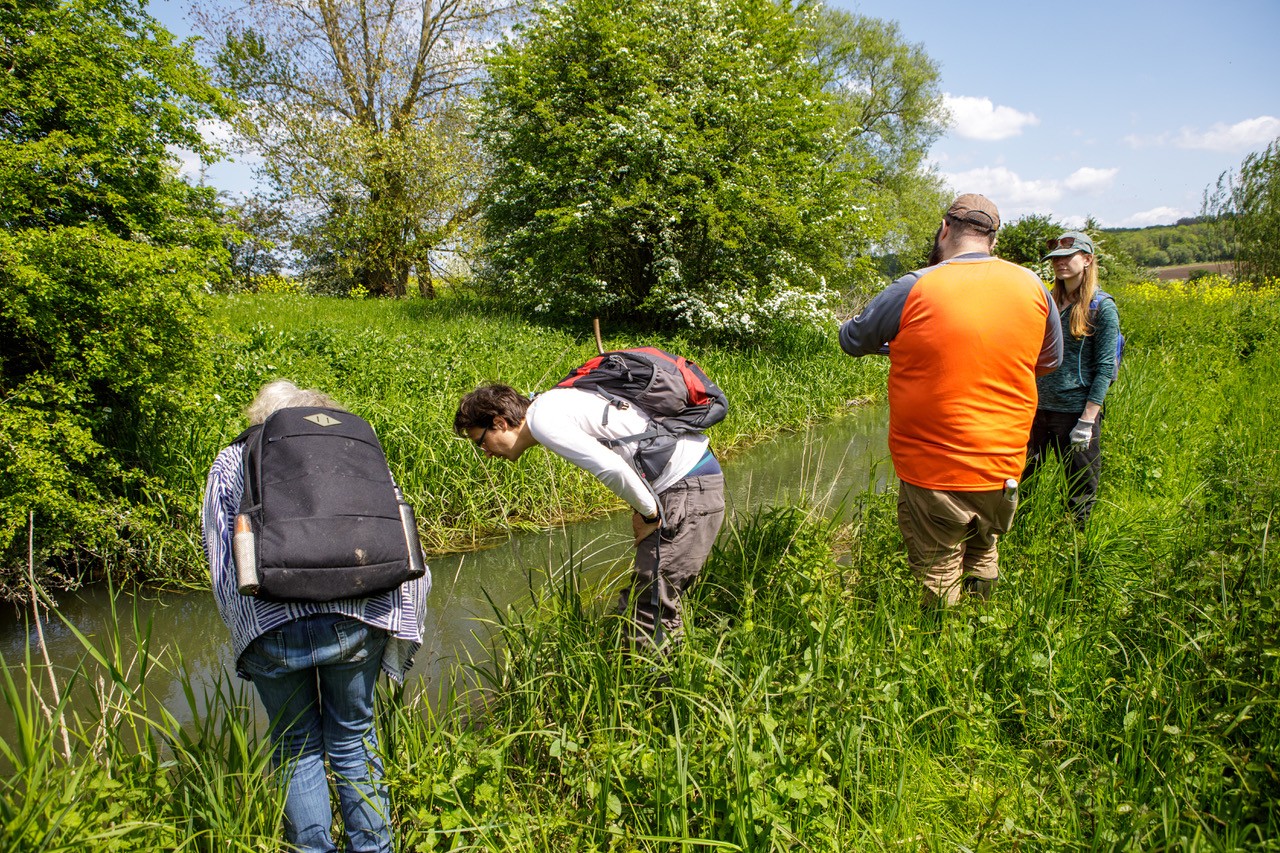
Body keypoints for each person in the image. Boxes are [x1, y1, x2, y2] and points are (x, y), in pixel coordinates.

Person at [201, 380, 430, 853]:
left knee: (295, 745)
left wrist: (244, 631)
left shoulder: (233, 459)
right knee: (353, 739)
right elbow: (404, 540)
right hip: (358, 614)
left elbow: (221, 557)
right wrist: (403, 626)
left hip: (270, 620)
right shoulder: (355, 449)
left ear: (260, 417)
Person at [838, 194, 1063, 606]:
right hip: (1004, 463)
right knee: (984, 551)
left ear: (944, 229)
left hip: (934, 468)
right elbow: (1048, 361)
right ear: (993, 240)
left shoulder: (916, 284)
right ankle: (982, 629)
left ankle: (937, 651)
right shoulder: (1034, 287)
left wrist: (906, 344)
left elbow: (853, 340)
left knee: (938, 570)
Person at [454, 382, 724, 649]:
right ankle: (644, 675)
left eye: (481, 441)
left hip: (686, 487)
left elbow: (613, 470)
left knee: (649, 611)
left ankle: (661, 689)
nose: (485, 453)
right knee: (643, 601)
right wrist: (645, 508)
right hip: (688, 482)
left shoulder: (543, 421)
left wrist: (650, 515)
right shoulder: (552, 403)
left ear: (500, 423)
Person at [1025, 230, 1119, 526]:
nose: (1059, 263)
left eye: (1068, 257)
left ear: (1088, 259)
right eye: (1055, 259)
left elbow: (1105, 367)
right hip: (1037, 410)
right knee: (1021, 479)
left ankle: (1074, 549)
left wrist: (1087, 420)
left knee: (1079, 488)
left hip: (1075, 414)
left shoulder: (1101, 307)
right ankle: (1019, 536)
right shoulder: (1046, 303)